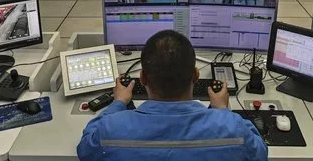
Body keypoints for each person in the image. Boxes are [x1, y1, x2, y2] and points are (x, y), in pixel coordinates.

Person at [77, 30, 267, 161]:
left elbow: (85, 149)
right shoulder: (233, 128)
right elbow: (260, 153)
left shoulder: (110, 129)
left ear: (142, 77)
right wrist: (222, 110)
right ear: (196, 75)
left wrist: (118, 102)